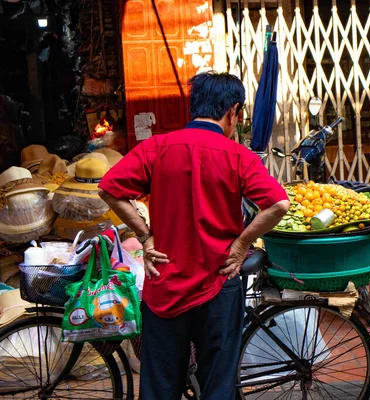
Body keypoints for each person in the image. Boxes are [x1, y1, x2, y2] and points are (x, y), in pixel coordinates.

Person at [98, 71, 290, 400]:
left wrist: (146, 235)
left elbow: (109, 189)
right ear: (233, 112)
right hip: (219, 283)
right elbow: (278, 204)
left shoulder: (156, 147)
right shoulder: (238, 156)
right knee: (217, 385)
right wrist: (241, 243)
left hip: (165, 288)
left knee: (159, 386)